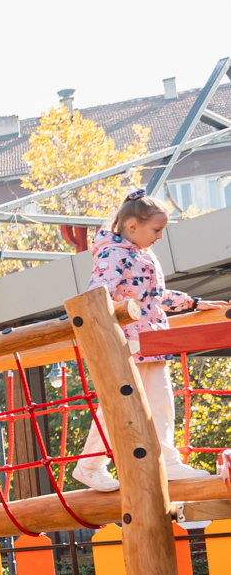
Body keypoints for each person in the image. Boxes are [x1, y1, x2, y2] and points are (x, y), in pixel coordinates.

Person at [77, 192, 214, 489]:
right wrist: (117, 311)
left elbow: (153, 296)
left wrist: (192, 303)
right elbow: (97, 294)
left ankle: (168, 461)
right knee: (118, 404)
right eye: (156, 229)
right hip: (127, 343)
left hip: (151, 340)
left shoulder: (142, 253)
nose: (160, 237)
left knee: (162, 402)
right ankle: (89, 465)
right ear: (132, 225)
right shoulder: (114, 253)